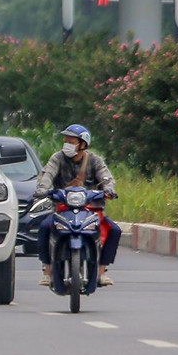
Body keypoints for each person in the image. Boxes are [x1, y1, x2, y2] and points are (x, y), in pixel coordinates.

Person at [35, 123, 120, 287]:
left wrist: (109, 189)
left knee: (114, 230)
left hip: (91, 210)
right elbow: (48, 174)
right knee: (45, 227)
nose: (67, 144)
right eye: (66, 140)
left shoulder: (94, 160)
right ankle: (47, 270)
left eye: (71, 141)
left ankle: (101, 271)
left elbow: (105, 176)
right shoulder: (57, 158)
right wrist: (43, 189)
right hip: (63, 209)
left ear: (82, 144)